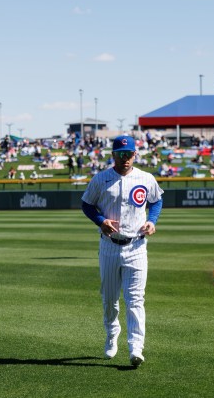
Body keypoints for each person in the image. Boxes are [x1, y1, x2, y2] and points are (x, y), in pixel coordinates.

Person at [81, 135, 164, 368]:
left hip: (137, 246)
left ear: (135, 155)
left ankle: (136, 347)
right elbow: (86, 203)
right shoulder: (101, 179)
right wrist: (100, 220)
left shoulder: (145, 178)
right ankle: (112, 332)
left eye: (128, 154)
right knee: (109, 299)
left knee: (136, 299)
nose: (124, 158)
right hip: (109, 245)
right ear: (113, 155)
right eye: (120, 154)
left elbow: (156, 200)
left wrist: (152, 220)